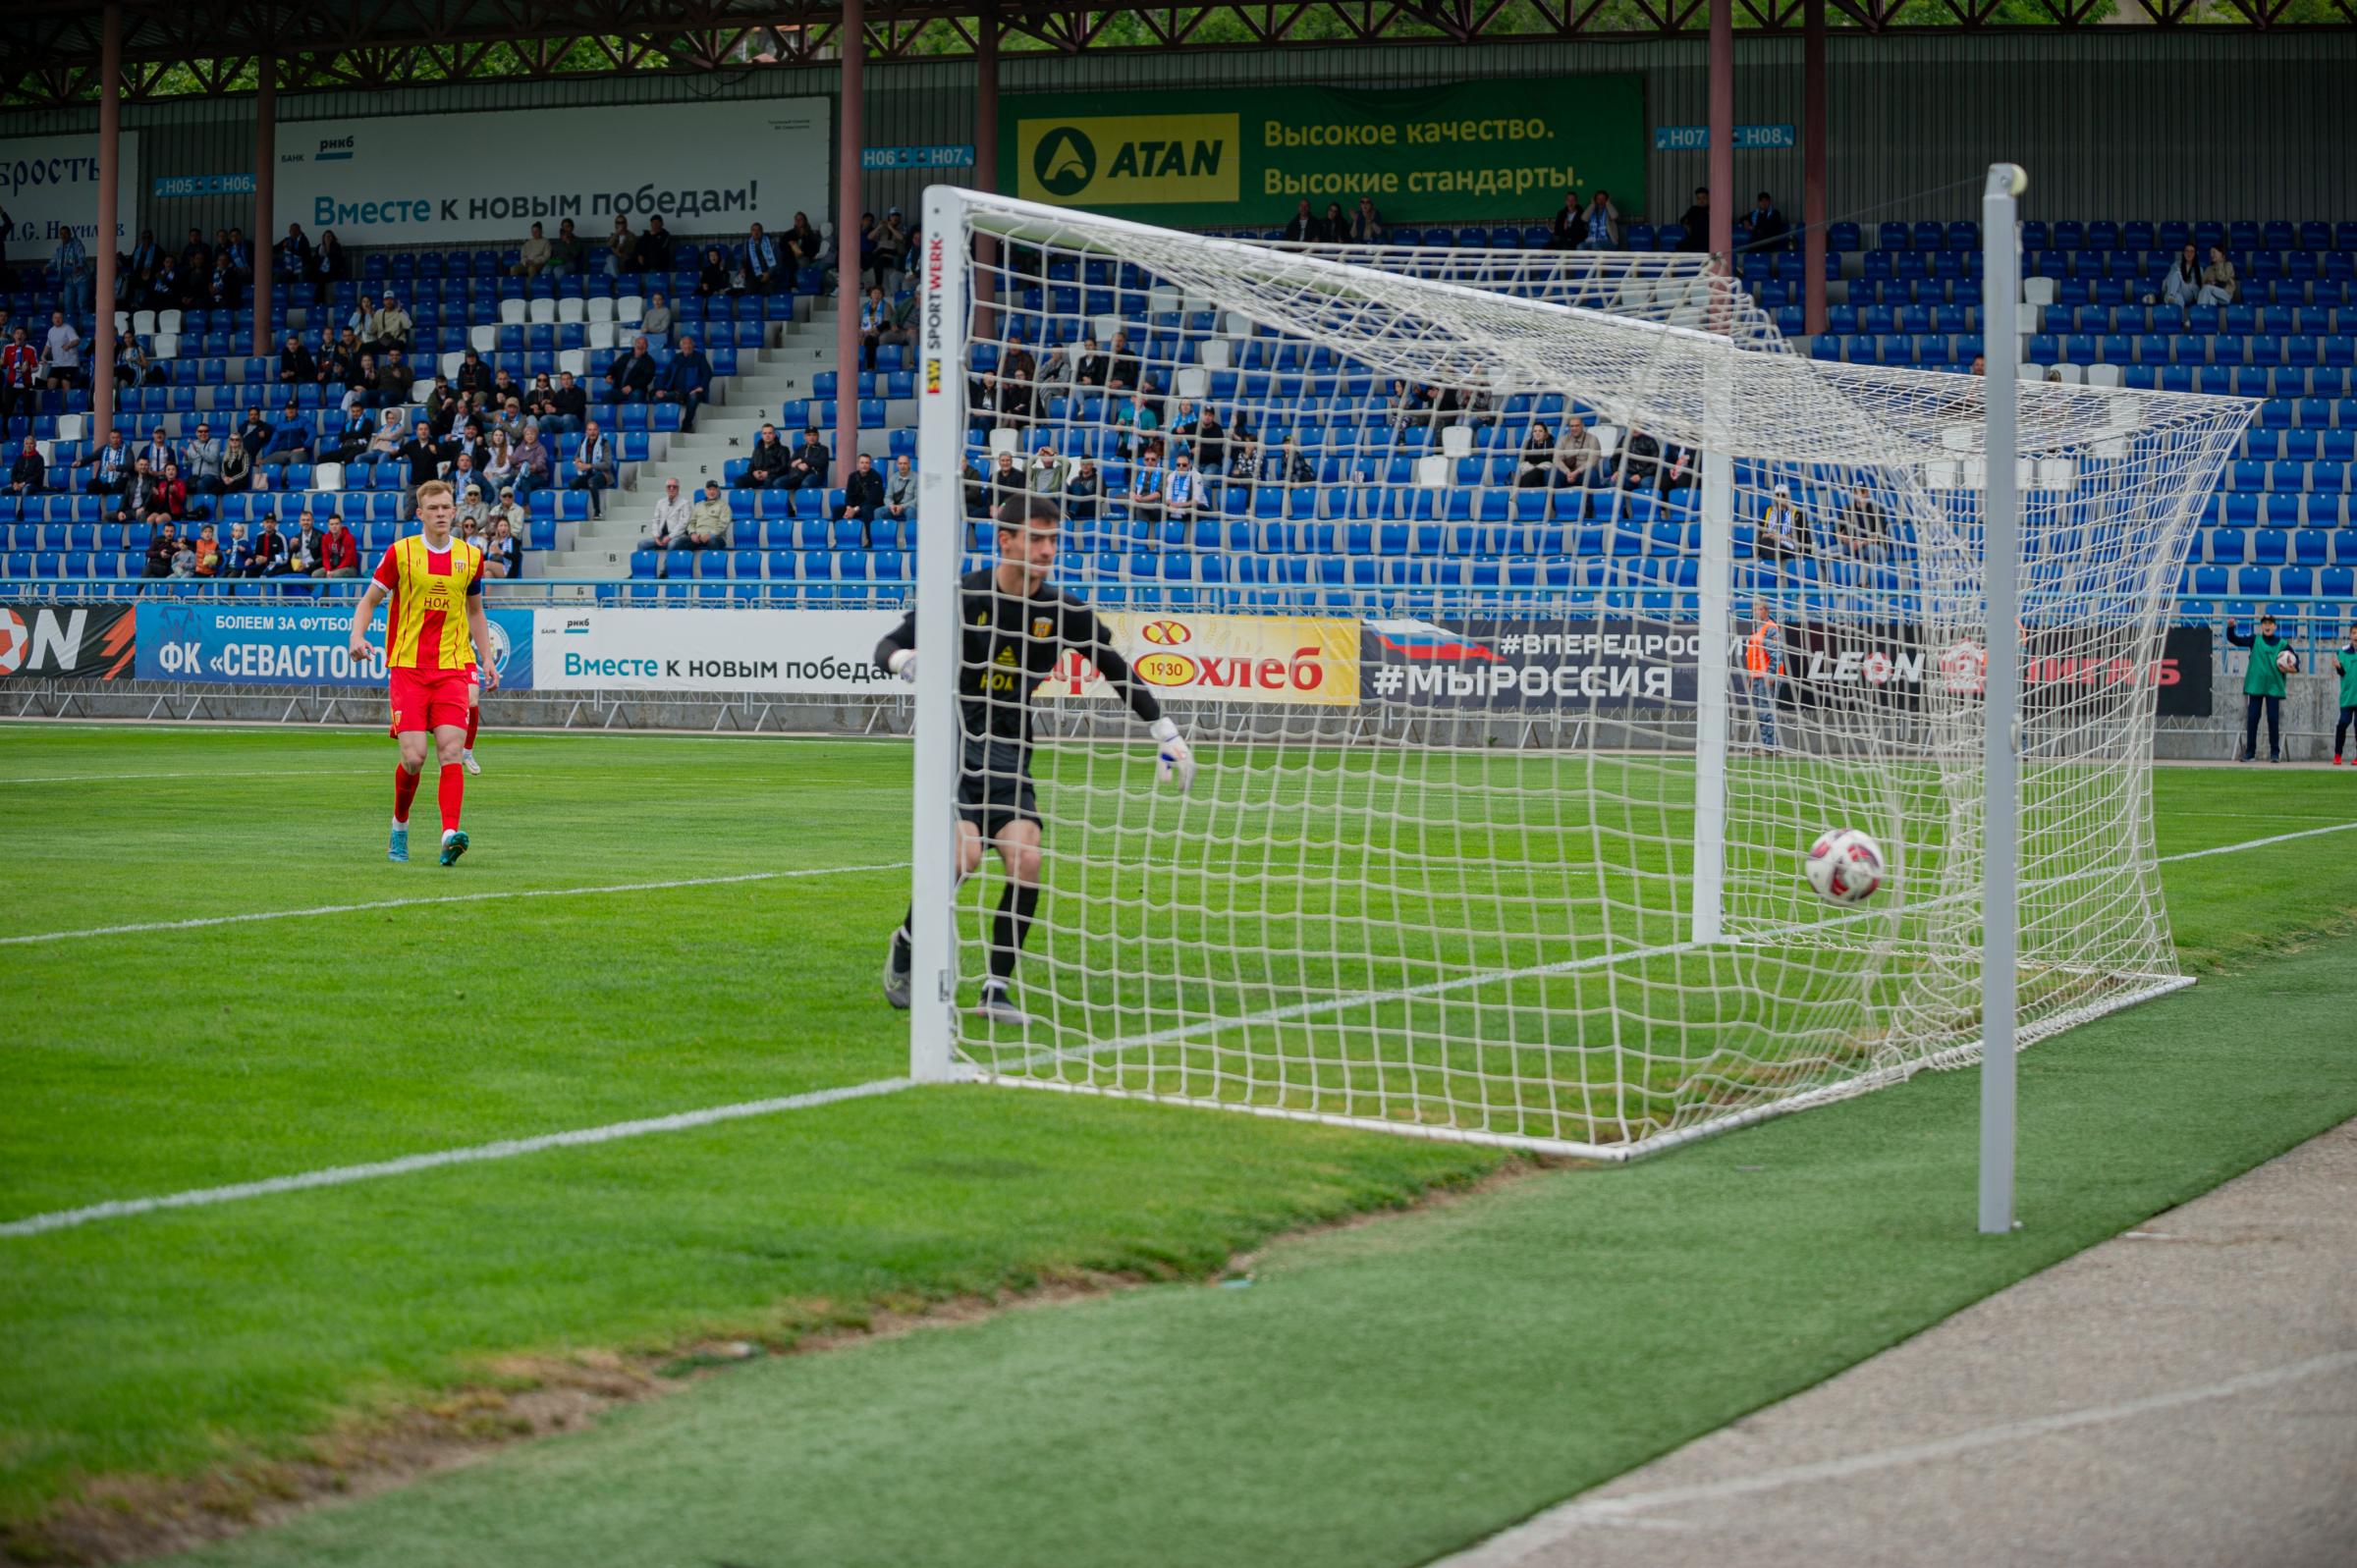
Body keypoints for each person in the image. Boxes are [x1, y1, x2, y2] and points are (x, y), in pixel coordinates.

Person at [874, 496, 1193, 1021]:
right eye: (1037, 538)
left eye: (1053, 540)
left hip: (1010, 750)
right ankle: (907, 946)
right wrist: (904, 658)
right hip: (952, 745)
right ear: (1006, 540)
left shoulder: (1063, 610)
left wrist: (1165, 730)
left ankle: (995, 991)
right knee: (964, 858)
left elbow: (1114, 668)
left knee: (1027, 861)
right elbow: (885, 645)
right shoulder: (964, 595)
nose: (1047, 550)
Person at [347, 479, 495, 866]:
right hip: (408, 669)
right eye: (433, 508)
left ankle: (449, 835)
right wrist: (357, 636)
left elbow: (475, 611)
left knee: (451, 751)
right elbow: (369, 601)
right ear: (420, 513)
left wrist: (487, 658)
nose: (441, 513)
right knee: (414, 758)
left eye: (446, 507)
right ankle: (399, 826)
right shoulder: (401, 553)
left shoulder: (471, 557)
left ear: (454, 510)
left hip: (451, 669)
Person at [2225, 614, 2293, 763]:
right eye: (2264, 623)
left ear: (2275, 626)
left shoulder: (2283, 644)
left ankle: (2275, 753)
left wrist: (2290, 667)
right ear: (2261, 626)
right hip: (2256, 685)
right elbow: (2234, 639)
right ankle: (2250, 753)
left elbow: (2296, 662)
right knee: (2253, 718)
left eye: (2270, 623)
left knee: (2273, 718)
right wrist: (2230, 628)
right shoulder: (2254, 639)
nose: (2267, 626)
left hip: (2273, 686)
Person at [651, 334, 711, 432]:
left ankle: (686, 425)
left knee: (693, 398)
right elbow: (666, 374)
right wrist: (660, 389)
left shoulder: (700, 357)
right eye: (685, 344)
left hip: (693, 392)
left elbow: (707, 373)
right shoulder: (676, 358)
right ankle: (668, 425)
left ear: (693, 345)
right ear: (681, 346)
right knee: (656, 398)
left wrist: (701, 387)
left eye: (689, 344)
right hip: (678, 393)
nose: (687, 346)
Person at [1744, 601, 1783, 751]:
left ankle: (1770, 746)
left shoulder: (1770, 628)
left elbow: (1776, 654)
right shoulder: (1757, 629)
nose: (1756, 612)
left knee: (1766, 711)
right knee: (1761, 712)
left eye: (1759, 609)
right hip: (1757, 676)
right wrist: (1751, 676)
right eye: (1754, 609)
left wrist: (1771, 674)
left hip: (1766, 676)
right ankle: (1767, 745)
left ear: (1766, 611)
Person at [835, 452, 886, 547]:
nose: (864, 465)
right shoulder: (852, 476)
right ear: (858, 464)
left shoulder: (876, 476)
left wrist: (855, 509)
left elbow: (873, 498)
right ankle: (840, 540)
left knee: (866, 509)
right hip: (855, 508)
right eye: (862, 462)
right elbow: (849, 495)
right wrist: (849, 508)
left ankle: (870, 541)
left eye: (867, 463)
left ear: (870, 464)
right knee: (837, 510)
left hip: (871, 506)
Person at [570, 421, 615, 518]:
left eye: (594, 429)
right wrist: (578, 461)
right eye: (590, 430)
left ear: (598, 431)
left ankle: (597, 512)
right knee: (572, 483)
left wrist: (590, 466)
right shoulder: (583, 441)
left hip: (603, 475)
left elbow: (607, 464)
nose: (592, 432)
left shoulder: (604, 443)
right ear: (586, 431)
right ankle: (578, 510)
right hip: (588, 474)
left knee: (592, 482)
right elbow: (576, 456)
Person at [859, 286, 908, 373]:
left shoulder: (886, 306)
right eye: (874, 293)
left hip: (881, 332)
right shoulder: (864, 306)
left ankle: (870, 367)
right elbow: (858, 321)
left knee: (869, 339)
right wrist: (860, 329)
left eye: (879, 293)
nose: (876, 295)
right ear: (870, 295)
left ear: (882, 295)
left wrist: (875, 330)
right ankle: (857, 364)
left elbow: (887, 322)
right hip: (865, 331)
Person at [0, 324, 37, 436]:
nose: (19, 335)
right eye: (17, 333)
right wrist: (1, 363)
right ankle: (5, 433)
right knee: (7, 409)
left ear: (25, 336)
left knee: (27, 409)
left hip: (26, 384)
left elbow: (36, 367)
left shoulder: (31, 349)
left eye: (22, 334)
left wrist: (28, 368)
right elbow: (4, 365)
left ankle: (28, 433)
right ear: (14, 336)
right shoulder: (7, 348)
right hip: (11, 384)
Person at [1835, 482, 1889, 559]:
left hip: (1868, 547)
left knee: (1882, 553)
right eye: (1856, 492)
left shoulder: (1878, 510)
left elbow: (1879, 535)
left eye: (1862, 491)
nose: (1859, 494)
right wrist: (1844, 539)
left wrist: (1862, 543)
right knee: (1823, 553)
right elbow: (1836, 531)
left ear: (1867, 493)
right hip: (1849, 546)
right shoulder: (1848, 509)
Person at [1758, 483, 1810, 563]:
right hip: (1770, 543)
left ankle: (1772, 566)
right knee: (1763, 543)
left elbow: (1800, 539)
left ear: (1787, 497)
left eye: (1783, 495)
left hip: (1789, 547)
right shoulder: (1769, 511)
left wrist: (1782, 537)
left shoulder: (1797, 513)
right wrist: (1767, 535)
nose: (1780, 498)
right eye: (1777, 495)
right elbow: (1761, 532)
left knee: (1766, 544)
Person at [644, 475, 691, 556]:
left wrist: (670, 537)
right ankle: (646, 564)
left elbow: (684, 523)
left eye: (674, 487)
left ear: (678, 488)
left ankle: (667, 564)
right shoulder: (660, 502)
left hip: (678, 535)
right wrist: (656, 536)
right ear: (666, 488)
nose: (671, 488)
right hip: (661, 536)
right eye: (669, 486)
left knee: (672, 543)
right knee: (642, 544)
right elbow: (655, 520)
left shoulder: (685, 503)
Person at [2331, 622, 2357, 767]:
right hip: (2347, 697)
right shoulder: (2342, 652)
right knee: (2343, 723)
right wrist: (2338, 667)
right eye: (2354, 633)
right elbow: (2342, 673)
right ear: (2350, 635)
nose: (2356, 636)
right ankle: (2337, 754)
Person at [739, 422, 794, 489]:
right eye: (765, 433)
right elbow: (751, 466)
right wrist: (754, 472)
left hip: (773, 476)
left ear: (774, 435)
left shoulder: (783, 449)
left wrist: (768, 473)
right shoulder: (757, 449)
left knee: (768, 481)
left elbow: (784, 467)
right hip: (758, 476)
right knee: (739, 481)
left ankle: (768, 496)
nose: (767, 435)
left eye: (770, 433)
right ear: (762, 435)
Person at [682, 479, 731, 553]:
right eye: (709, 489)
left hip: (716, 537)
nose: (712, 492)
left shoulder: (724, 505)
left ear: (718, 491)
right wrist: (693, 533)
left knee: (712, 541)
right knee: (679, 542)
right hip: (698, 537)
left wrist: (711, 534)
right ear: (705, 491)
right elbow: (691, 522)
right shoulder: (698, 505)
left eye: (714, 489)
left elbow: (724, 524)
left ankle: (713, 560)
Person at [606, 335, 657, 402]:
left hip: (636, 390)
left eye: (643, 343)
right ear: (635, 345)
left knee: (636, 395)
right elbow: (613, 367)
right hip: (620, 390)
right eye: (639, 343)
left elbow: (647, 378)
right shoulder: (625, 356)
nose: (641, 345)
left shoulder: (649, 361)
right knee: (607, 395)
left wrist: (632, 386)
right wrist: (609, 375)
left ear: (647, 346)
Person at [1554, 419, 1600, 488]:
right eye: (1572, 426)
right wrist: (1567, 472)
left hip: (1583, 472)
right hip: (1567, 473)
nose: (1574, 428)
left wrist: (1576, 472)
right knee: (1550, 472)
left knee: (1591, 473)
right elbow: (1557, 460)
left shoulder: (1592, 439)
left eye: (1577, 426)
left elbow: (1593, 461)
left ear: (1582, 426)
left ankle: (1590, 495)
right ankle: (1555, 495)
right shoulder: (1563, 439)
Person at [43, 310, 82, 389]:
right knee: (50, 383)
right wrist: (43, 355)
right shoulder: (51, 331)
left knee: (65, 383)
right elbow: (48, 345)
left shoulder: (68, 328)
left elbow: (77, 340)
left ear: (63, 319)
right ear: (52, 319)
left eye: (59, 318)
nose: (57, 320)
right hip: (56, 363)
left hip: (70, 363)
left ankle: (67, 397)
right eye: (55, 318)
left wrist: (69, 345)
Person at [2159, 243, 2201, 309]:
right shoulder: (2176, 264)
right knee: (2178, 297)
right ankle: (2172, 298)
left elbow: (2198, 287)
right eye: (2187, 251)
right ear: (2183, 253)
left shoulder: (2199, 269)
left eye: (2192, 251)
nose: (2189, 253)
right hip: (2177, 293)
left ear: (2195, 254)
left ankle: (2170, 296)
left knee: (2177, 273)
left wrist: (2189, 285)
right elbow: (2168, 279)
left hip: (2188, 294)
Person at [743, 222, 782, 295]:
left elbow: (777, 261)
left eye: (758, 230)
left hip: (770, 274)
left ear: (762, 232)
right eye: (753, 230)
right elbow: (744, 260)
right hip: (753, 276)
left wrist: (768, 273)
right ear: (751, 232)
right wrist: (742, 270)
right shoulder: (747, 244)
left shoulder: (771, 243)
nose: (756, 232)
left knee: (768, 290)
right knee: (748, 291)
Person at [788, 427, 830, 492]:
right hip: (800, 473)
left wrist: (802, 460)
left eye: (814, 435)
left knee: (805, 483)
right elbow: (791, 462)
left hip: (815, 474)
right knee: (779, 482)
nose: (812, 437)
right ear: (805, 437)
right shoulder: (801, 448)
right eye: (809, 435)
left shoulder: (823, 449)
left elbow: (821, 463)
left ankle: (802, 498)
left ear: (818, 436)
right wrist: (798, 465)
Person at [884, 454, 918, 531]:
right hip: (894, 507)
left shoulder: (917, 478)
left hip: (909, 507)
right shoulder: (892, 478)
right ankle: (886, 535)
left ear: (909, 464)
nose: (902, 466)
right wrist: (891, 506)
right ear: (897, 465)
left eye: (905, 463)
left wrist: (902, 506)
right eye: (900, 463)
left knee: (911, 511)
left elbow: (917, 500)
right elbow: (887, 497)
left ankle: (910, 536)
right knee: (878, 512)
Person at [321, 512, 360, 578]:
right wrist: (328, 570)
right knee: (316, 574)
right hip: (333, 566)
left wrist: (334, 571)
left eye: (337, 524)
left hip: (349, 568)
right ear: (328, 525)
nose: (334, 526)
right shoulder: (325, 538)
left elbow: (348, 559)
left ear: (341, 525)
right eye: (332, 524)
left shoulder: (349, 538)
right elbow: (325, 557)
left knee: (335, 575)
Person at [483, 515, 521, 580]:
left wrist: (501, 552)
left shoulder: (514, 541)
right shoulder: (492, 543)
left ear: (509, 528)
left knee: (485, 564)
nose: (503, 528)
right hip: (494, 570)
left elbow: (516, 558)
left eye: (505, 525)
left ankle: (474, 585)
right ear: (497, 528)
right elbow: (486, 557)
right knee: (488, 573)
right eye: (501, 525)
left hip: (509, 571)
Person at [1674, 187, 1711, 252]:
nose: (1701, 201)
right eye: (1699, 199)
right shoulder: (1693, 209)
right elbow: (1683, 220)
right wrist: (1687, 225)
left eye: (1704, 198)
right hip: (1694, 238)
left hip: (1708, 239)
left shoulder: (1712, 209)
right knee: (1680, 246)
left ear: (1708, 198)